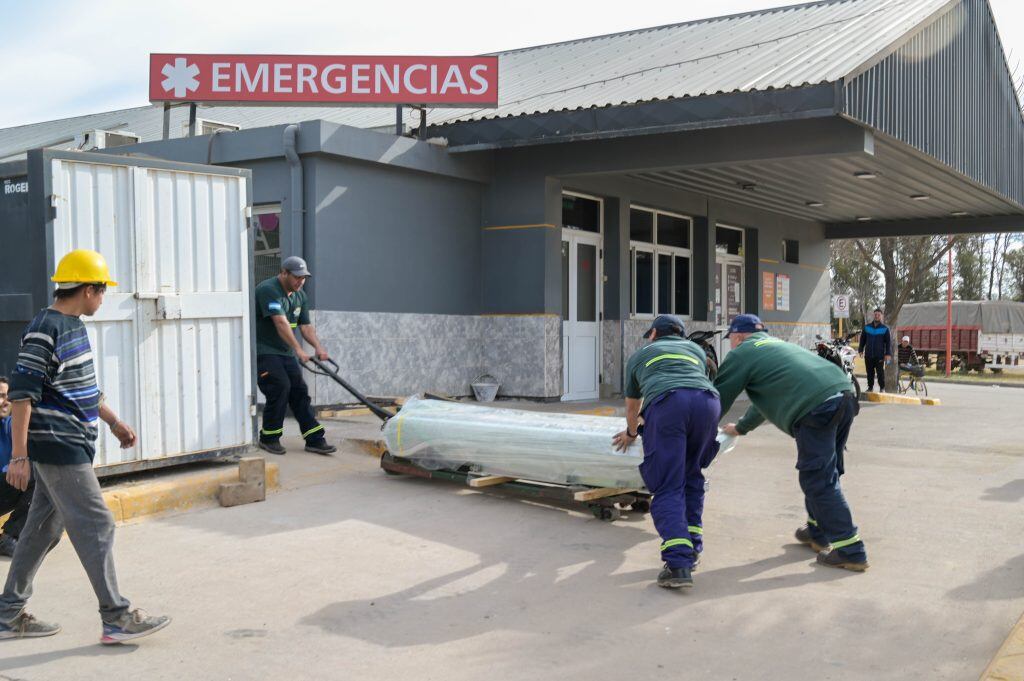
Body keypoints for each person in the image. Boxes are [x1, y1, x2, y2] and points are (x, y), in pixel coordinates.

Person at [0, 249, 171, 643]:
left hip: (72, 441)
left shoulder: (72, 325)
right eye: (102, 291)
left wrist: (113, 421)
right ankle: (116, 616)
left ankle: (7, 612)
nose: (103, 298)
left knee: (43, 527)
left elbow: (80, 389)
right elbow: (23, 394)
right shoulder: (45, 328)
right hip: (57, 445)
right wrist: (19, 455)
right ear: (89, 289)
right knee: (97, 524)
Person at [715, 314, 869, 572]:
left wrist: (693, 431)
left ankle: (851, 551)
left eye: (731, 338)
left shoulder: (742, 353)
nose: (731, 343)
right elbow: (767, 400)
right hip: (843, 395)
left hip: (817, 408)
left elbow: (717, 399)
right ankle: (817, 532)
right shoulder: (777, 345)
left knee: (818, 478)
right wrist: (740, 427)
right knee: (825, 473)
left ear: (738, 336)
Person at [612, 315, 721, 589]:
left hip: (670, 403)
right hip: (708, 404)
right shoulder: (696, 349)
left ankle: (678, 564)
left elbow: (632, 408)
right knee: (692, 476)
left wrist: (632, 433)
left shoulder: (641, 355)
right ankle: (693, 547)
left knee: (668, 485)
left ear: (653, 335)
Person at [254, 256, 337, 455]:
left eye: (304, 278)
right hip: (265, 351)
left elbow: (306, 326)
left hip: (285, 352)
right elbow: (280, 323)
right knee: (280, 386)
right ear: (284, 273)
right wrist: (299, 350)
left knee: (299, 390)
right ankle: (269, 437)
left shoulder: (300, 296)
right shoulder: (268, 289)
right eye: (296, 277)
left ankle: (315, 439)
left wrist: (318, 347)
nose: (300, 281)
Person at [0, 376, 34, 558]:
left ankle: (9, 537)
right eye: (0, 396)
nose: (5, 401)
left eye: (8, 396)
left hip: (4, 488)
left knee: (38, 477)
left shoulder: (13, 425)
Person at [858, 308, 892, 392]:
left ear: (881, 316)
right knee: (870, 373)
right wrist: (860, 350)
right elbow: (862, 340)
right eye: (875, 314)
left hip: (879, 355)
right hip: (868, 355)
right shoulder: (867, 327)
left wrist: (888, 354)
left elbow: (888, 343)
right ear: (873, 315)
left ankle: (882, 388)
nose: (877, 316)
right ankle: (870, 387)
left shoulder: (885, 329)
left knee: (880, 373)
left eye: (878, 315)